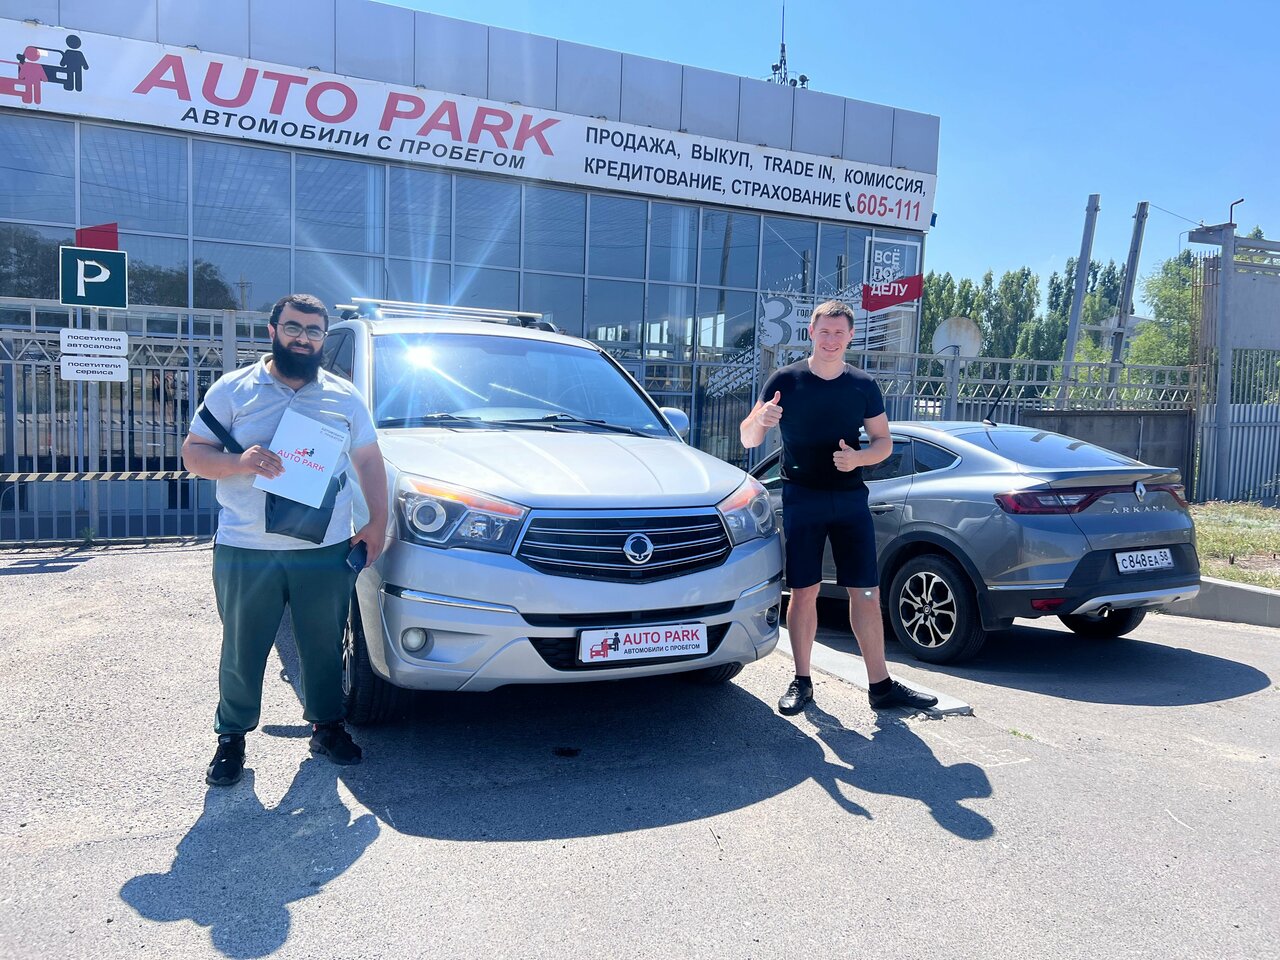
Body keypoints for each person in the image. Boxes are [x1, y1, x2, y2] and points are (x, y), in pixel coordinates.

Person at [182, 293, 388, 787]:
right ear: (272, 330)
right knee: (243, 647)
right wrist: (239, 462)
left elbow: (368, 460)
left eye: (314, 331)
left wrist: (377, 522)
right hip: (246, 547)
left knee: (324, 644)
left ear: (323, 339)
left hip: (324, 547)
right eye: (294, 327)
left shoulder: (343, 396)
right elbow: (193, 454)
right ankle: (231, 738)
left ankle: (327, 727)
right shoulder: (234, 390)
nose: (303, 338)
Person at [740, 300, 937, 716]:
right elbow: (748, 438)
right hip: (802, 498)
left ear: (850, 336)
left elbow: (883, 442)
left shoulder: (862, 384)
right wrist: (762, 420)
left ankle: (881, 687)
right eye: (824, 331)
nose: (831, 340)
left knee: (865, 592)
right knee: (804, 591)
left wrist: (859, 459)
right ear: (811, 332)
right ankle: (802, 681)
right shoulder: (785, 380)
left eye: (839, 333)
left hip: (850, 499)